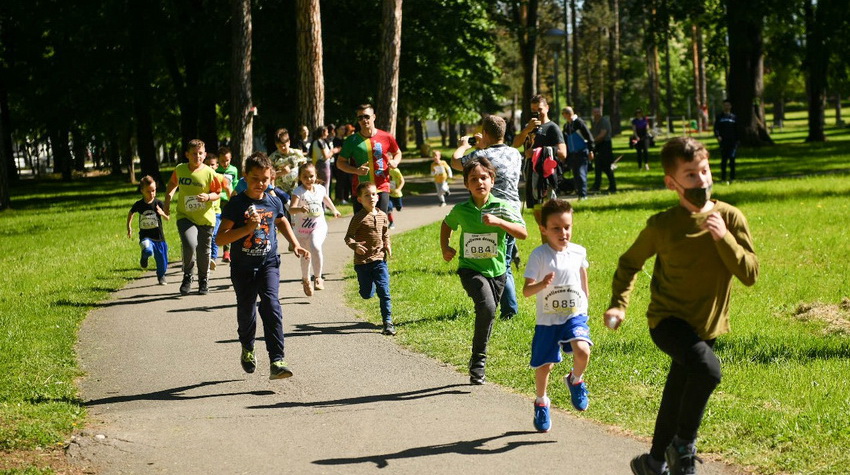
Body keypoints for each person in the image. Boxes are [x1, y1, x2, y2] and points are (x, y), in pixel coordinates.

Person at [603, 137, 758, 475]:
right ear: (671, 183)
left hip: (707, 326)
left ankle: (654, 462)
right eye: (690, 175)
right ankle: (683, 447)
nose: (701, 180)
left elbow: (749, 274)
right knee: (707, 370)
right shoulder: (663, 225)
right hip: (667, 322)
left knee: (678, 389)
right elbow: (629, 263)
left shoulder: (730, 218)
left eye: (704, 171)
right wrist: (619, 305)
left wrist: (724, 238)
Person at [216, 152, 309, 380]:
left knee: (271, 305)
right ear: (246, 176)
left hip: (268, 264)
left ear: (272, 178)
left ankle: (277, 360)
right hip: (243, 268)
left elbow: (281, 220)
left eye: (265, 179)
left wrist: (295, 243)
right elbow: (220, 239)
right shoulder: (236, 204)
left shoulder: (274, 199)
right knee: (247, 311)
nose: (260, 183)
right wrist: (247, 229)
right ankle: (248, 347)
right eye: (255, 178)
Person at [441, 158, 528, 385]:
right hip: (470, 270)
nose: (479, 182)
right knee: (487, 307)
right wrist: (445, 247)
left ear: (492, 181)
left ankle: (477, 359)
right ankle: (479, 361)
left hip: (498, 272)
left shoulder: (503, 206)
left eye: (484, 178)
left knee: (488, 314)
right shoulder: (462, 209)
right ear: (467, 185)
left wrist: (499, 222)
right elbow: (447, 224)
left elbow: (522, 233)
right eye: (473, 179)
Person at [522, 199, 591, 432]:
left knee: (583, 350)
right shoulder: (539, 255)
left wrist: (586, 303)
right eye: (556, 228)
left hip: (574, 315)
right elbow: (526, 291)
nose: (563, 233)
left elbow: (583, 277)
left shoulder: (579, 251)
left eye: (567, 227)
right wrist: (542, 284)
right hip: (548, 320)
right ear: (543, 229)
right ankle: (541, 402)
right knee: (545, 366)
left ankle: (575, 379)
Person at [453, 115, 523, 321]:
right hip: (512, 213)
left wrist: (464, 146)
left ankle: (507, 309)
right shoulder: (514, 153)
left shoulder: (480, 155)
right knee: (504, 261)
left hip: (488, 212)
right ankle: (502, 306)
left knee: (493, 262)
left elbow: (456, 163)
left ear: (484, 133)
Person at [164, 139, 222, 296]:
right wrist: (167, 203)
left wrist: (208, 196)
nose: (198, 156)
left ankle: (203, 280)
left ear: (204, 154)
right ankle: (188, 277)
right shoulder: (180, 169)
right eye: (194, 154)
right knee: (189, 245)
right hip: (185, 216)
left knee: (203, 251)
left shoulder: (210, 173)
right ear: (187, 155)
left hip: (206, 218)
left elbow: (218, 193)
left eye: (201, 153)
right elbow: (171, 185)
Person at [344, 182, 396, 336]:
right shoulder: (358, 218)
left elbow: (385, 233)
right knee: (366, 294)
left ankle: (388, 322)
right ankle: (368, 287)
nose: (371, 197)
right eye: (367, 195)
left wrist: (387, 244)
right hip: (362, 263)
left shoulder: (382, 215)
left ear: (377, 196)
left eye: (373, 194)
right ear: (360, 199)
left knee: (384, 292)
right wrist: (355, 246)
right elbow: (348, 237)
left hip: (379, 260)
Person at [337, 103, 403, 214]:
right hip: (360, 190)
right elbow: (340, 163)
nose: (364, 120)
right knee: (362, 226)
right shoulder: (351, 140)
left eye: (367, 116)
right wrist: (356, 170)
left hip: (382, 187)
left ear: (374, 117)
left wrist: (395, 162)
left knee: (380, 222)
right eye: (360, 117)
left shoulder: (386, 137)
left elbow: (397, 152)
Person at [290, 162, 341, 296]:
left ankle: (318, 277)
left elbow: (326, 199)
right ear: (300, 178)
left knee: (315, 246)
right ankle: (306, 279)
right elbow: (291, 209)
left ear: (316, 175)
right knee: (306, 256)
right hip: (302, 230)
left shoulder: (320, 189)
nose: (308, 179)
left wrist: (334, 209)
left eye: (311, 176)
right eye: (305, 177)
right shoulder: (298, 192)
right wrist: (299, 209)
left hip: (318, 226)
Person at [512, 95, 567, 209]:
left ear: (547, 108)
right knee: (535, 208)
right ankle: (542, 227)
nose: (537, 113)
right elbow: (516, 144)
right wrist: (527, 130)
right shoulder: (529, 127)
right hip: (531, 173)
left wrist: (538, 152)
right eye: (533, 110)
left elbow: (563, 153)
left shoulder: (552, 128)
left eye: (539, 109)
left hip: (546, 174)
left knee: (549, 208)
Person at [126, 175, 170, 285]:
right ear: (142, 191)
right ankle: (144, 257)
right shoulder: (139, 204)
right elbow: (131, 213)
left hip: (159, 237)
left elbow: (168, 218)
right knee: (148, 249)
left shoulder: (158, 203)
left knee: (162, 261)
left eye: (154, 190)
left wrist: (162, 213)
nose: (152, 194)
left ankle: (161, 276)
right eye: (148, 191)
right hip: (145, 236)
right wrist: (129, 227)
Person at [204, 153, 233, 270]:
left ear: (216, 166)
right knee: (205, 237)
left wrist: (233, 203)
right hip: (203, 212)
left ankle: (213, 258)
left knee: (214, 234)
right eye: (207, 165)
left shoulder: (220, 178)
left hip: (216, 212)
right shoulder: (202, 177)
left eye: (212, 165)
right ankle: (204, 256)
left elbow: (228, 190)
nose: (210, 167)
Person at [562, 107, 595, 200]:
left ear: (568, 114)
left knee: (581, 174)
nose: (564, 116)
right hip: (572, 153)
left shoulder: (579, 123)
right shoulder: (566, 126)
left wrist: (591, 150)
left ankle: (583, 195)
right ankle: (579, 194)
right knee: (576, 175)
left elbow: (589, 136)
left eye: (564, 114)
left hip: (582, 151)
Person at [269, 128, 308, 196]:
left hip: (297, 191)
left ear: (289, 142)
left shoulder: (297, 153)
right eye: (280, 146)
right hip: (280, 193)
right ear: (276, 145)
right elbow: (268, 175)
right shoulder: (272, 158)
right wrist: (281, 172)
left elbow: (306, 169)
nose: (283, 148)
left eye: (284, 145)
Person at [216, 146, 238, 262]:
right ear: (218, 160)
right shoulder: (214, 170)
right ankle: (212, 251)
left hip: (229, 200)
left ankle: (226, 252)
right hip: (217, 200)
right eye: (222, 161)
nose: (225, 163)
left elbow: (235, 184)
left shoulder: (233, 170)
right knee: (217, 224)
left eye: (227, 160)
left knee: (228, 225)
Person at [590, 107, 617, 193]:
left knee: (607, 167)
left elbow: (602, 135)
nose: (596, 114)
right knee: (597, 167)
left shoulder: (604, 121)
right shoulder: (594, 122)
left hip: (605, 145)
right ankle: (596, 185)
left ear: (600, 112)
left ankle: (613, 186)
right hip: (598, 146)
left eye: (598, 112)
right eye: (595, 112)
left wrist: (592, 141)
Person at [713, 99, 738, 183]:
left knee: (732, 159)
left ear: (730, 106)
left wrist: (737, 140)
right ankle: (723, 178)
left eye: (728, 105)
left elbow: (737, 129)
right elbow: (716, 128)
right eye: (725, 105)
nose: (726, 107)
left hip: (732, 142)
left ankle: (732, 178)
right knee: (724, 160)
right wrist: (718, 136)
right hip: (723, 142)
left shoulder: (733, 117)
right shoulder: (720, 117)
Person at [333, 124, 354, 204]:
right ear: (337, 130)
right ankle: (339, 198)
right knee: (340, 181)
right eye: (341, 129)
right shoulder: (335, 140)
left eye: (344, 129)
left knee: (346, 180)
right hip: (338, 163)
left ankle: (345, 197)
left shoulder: (344, 140)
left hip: (345, 162)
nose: (343, 131)